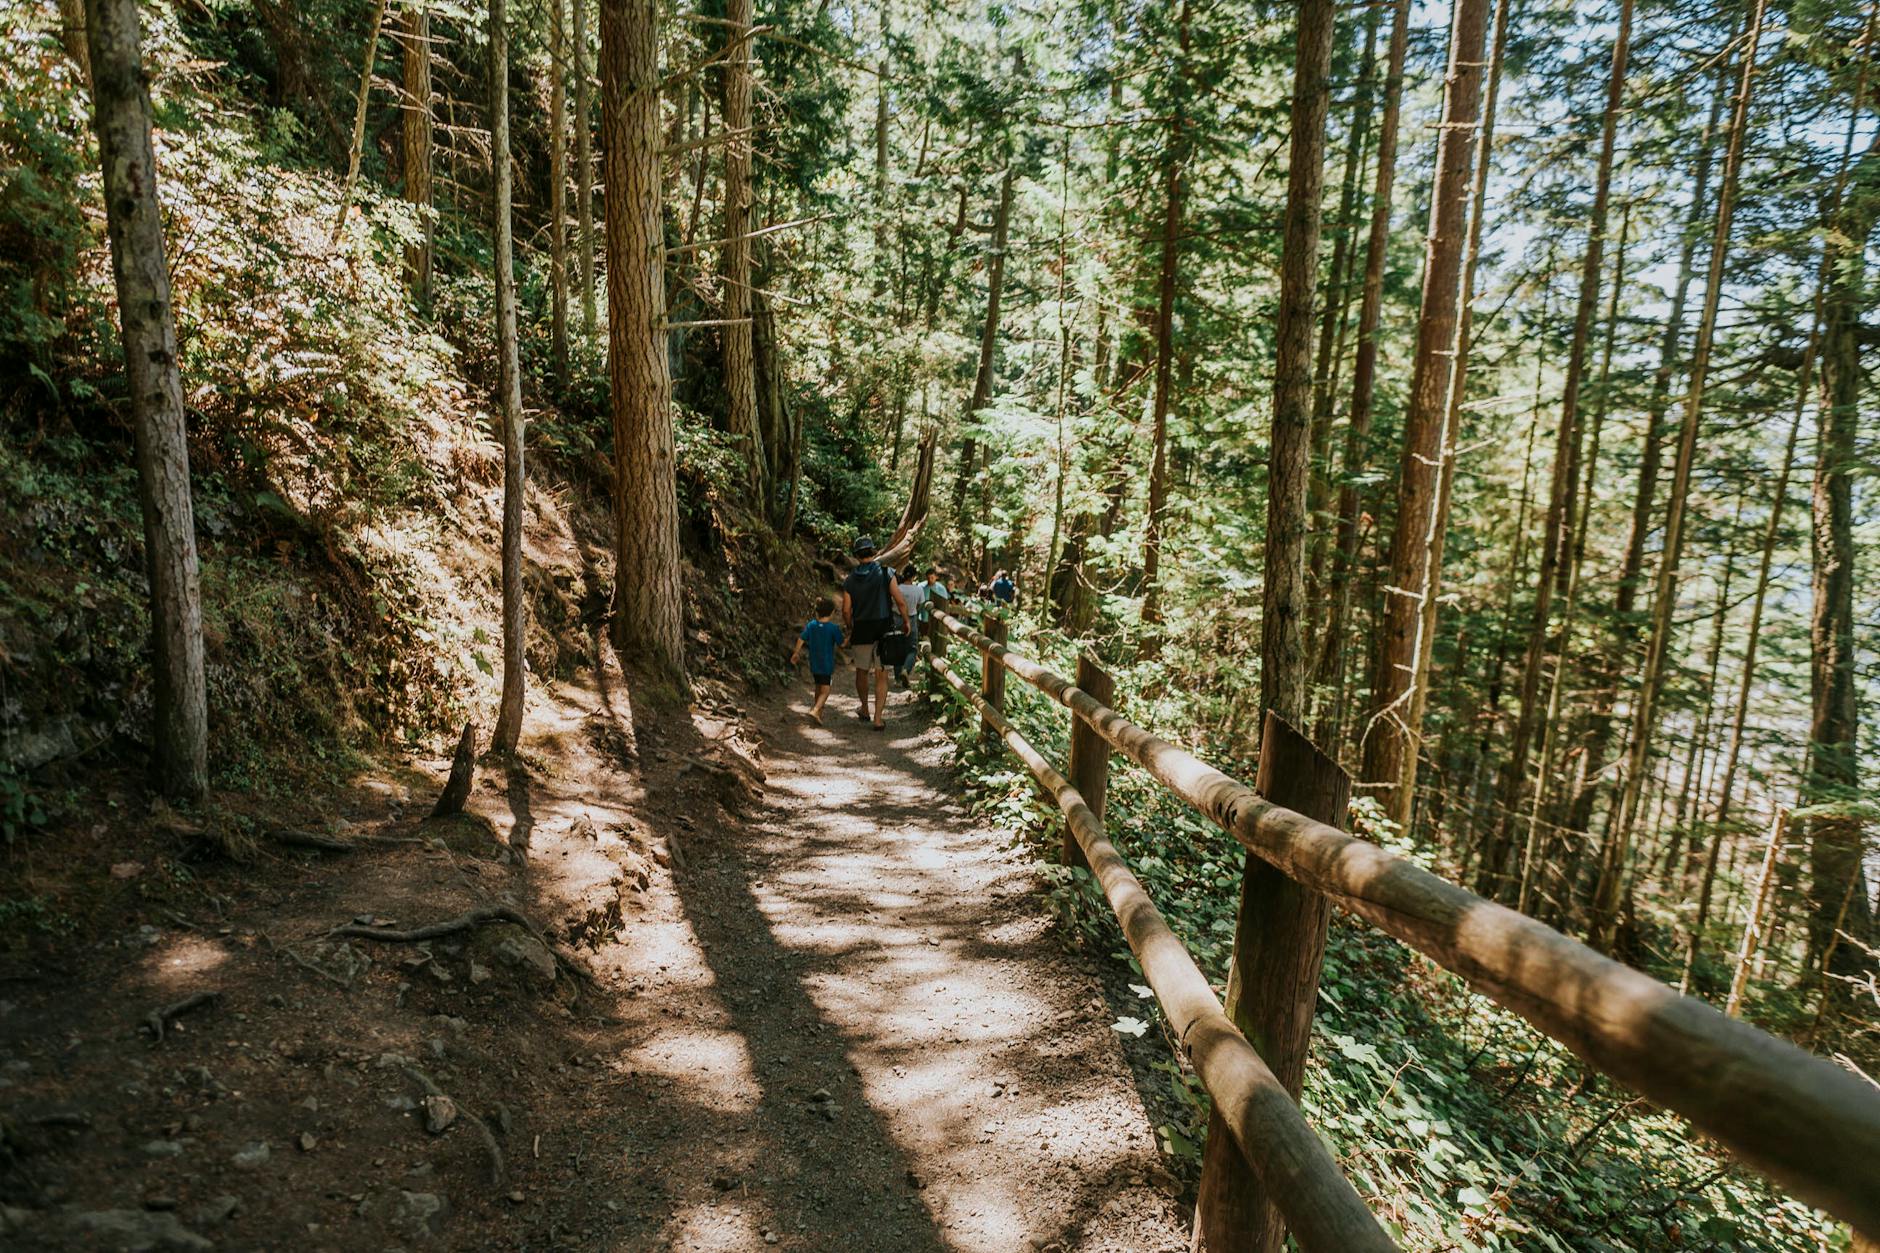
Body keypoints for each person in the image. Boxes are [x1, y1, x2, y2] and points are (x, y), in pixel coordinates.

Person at [840, 537, 911, 729]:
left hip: (861, 629)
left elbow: (846, 610)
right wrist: (906, 621)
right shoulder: (886, 573)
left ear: (856, 556)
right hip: (883, 629)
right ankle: (878, 719)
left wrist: (850, 627)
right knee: (881, 673)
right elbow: (900, 600)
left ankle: (865, 708)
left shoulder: (850, 580)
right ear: (874, 552)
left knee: (861, 672)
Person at [789, 596, 844, 723]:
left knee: (818, 687)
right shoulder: (833, 628)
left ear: (817, 612)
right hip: (827, 664)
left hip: (814, 663)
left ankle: (818, 714)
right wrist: (848, 640)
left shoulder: (811, 625)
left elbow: (801, 638)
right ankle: (815, 709)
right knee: (826, 690)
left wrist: (796, 653)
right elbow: (841, 644)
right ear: (831, 613)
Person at [895, 563, 927, 688]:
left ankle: (897, 679)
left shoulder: (897, 588)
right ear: (913, 577)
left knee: (897, 648)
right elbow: (921, 604)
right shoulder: (918, 589)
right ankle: (906, 670)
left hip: (897, 618)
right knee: (912, 648)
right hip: (912, 618)